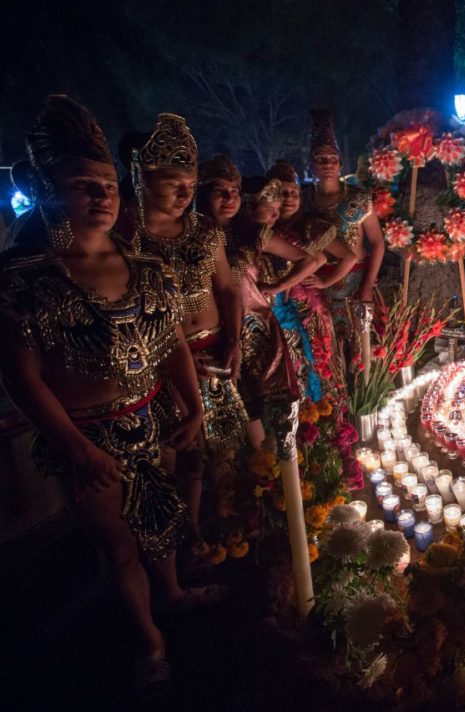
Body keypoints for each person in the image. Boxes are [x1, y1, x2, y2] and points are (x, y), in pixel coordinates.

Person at [0, 96, 206, 689]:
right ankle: (150, 640)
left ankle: (170, 591)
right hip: (88, 438)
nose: (103, 195)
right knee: (117, 548)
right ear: (47, 189)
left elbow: (171, 344)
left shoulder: (144, 264)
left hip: (153, 417)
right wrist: (77, 447)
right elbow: (22, 378)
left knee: (163, 521)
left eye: (109, 183)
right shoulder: (24, 279)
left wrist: (191, 406)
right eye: (83, 184)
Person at [122, 114, 247, 545]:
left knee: (227, 441)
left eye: (190, 185)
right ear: (143, 179)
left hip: (215, 348)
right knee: (182, 450)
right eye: (172, 183)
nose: (183, 194)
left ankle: (230, 518)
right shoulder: (126, 240)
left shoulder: (205, 232)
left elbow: (229, 290)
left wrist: (234, 340)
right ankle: (187, 534)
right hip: (164, 360)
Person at [199, 157, 321, 448]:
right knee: (229, 412)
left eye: (235, 191)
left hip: (256, 332)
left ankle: (281, 474)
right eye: (221, 191)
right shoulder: (193, 238)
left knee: (267, 407)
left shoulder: (254, 233)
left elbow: (312, 258)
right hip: (214, 332)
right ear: (203, 195)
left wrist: (277, 286)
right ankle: (255, 478)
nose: (230, 198)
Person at [303, 109, 386, 373]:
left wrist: (368, 285)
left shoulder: (359, 198)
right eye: (320, 159)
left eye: (332, 158)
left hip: (355, 282)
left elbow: (377, 243)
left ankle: (367, 407)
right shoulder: (304, 202)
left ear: (340, 164)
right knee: (327, 355)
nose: (327, 163)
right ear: (312, 164)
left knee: (362, 352)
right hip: (317, 285)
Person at [265, 159, 352, 405]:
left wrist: (324, 283)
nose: (290, 198)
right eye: (283, 193)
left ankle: (331, 423)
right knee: (292, 368)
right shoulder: (265, 229)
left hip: (310, 308)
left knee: (320, 361)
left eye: (294, 192)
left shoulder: (310, 227)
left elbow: (348, 256)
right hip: (279, 311)